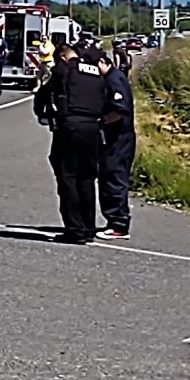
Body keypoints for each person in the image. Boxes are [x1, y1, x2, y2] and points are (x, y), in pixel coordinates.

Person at [34, 44, 107, 244]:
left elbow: (42, 96)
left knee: (67, 178)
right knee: (87, 179)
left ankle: (75, 230)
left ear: (63, 58)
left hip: (70, 128)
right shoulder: (94, 72)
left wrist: (43, 113)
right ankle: (89, 228)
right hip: (93, 129)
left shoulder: (62, 70)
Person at [96, 55, 135, 240]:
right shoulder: (111, 78)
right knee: (108, 176)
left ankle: (119, 225)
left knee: (115, 178)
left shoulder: (114, 79)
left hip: (120, 138)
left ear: (104, 62)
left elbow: (119, 109)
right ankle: (113, 221)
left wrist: (101, 122)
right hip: (116, 138)